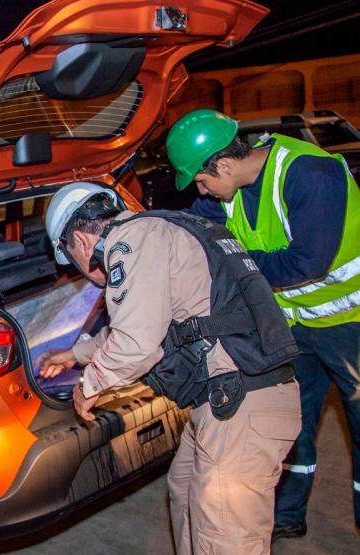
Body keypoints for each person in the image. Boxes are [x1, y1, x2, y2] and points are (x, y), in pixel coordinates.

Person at [37, 183, 301, 553]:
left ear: (79, 240)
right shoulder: (162, 227)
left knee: (225, 537)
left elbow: (137, 344)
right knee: (184, 487)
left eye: (72, 259)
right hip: (235, 397)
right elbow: (150, 319)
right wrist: (76, 354)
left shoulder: (132, 242)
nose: (84, 270)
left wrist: (89, 384)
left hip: (242, 406)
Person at [166, 109, 360, 541]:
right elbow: (194, 231)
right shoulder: (228, 190)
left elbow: (308, 261)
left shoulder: (310, 173)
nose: (203, 192)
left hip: (352, 325)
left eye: (202, 181)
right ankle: (287, 514)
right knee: (293, 423)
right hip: (294, 325)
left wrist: (238, 268)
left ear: (225, 165)